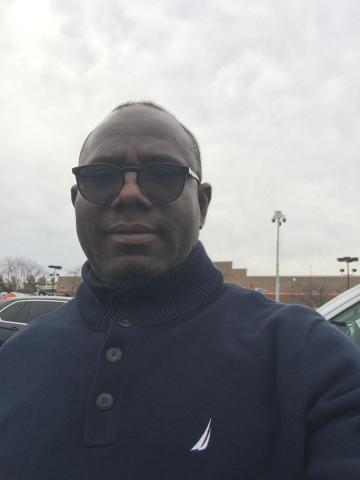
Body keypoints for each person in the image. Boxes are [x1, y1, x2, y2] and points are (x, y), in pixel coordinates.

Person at [0, 102, 360, 480]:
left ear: (202, 204)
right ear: (76, 200)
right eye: (102, 177)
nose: (129, 193)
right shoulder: (14, 361)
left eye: (162, 175)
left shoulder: (307, 356)